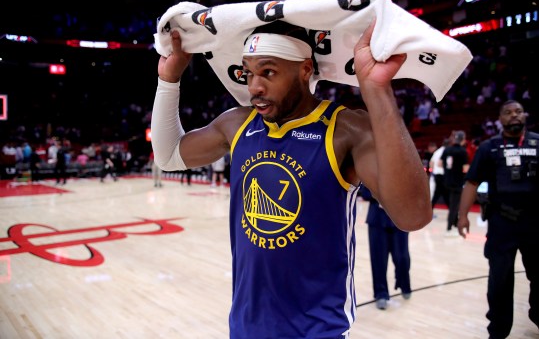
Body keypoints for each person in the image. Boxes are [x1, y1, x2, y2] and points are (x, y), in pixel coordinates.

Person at [150, 19, 432, 338]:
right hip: (245, 327)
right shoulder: (237, 123)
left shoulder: (345, 129)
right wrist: (168, 80)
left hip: (319, 330)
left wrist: (377, 92)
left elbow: (413, 215)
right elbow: (169, 155)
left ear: (304, 70)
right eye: (248, 72)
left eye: (268, 72)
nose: (254, 86)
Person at [458, 100, 539, 339]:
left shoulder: (538, 142)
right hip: (502, 223)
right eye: (508, 112)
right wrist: (462, 216)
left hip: (535, 224)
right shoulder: (489, 147)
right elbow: (471, 182)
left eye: (518, 111)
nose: (514, 115)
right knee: (500, 281)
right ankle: (498, 331)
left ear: (525, 115)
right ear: (500, 119)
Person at [359, 186, 411, 310]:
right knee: (378, 259)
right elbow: (365, 193)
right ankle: (381, 293)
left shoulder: (405, 167)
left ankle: (404, 283)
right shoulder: (370, 168)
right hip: (377, 218)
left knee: (402, 257)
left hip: (400, 217)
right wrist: (383, 196)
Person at [440, 130, 469, 236]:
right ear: (463, 139)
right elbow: (465, 169)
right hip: (457, 182)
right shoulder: (463, 151)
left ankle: (455, 224)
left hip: (446, 181)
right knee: (454, 206)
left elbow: (440, 163)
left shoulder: (447, 149)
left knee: (453, 205)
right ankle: (449, 228)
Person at [429, 138, 450, 209]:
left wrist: (433, 171)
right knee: (443, 194)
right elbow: (440, 164)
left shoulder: (437, 151)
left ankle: (452, 212)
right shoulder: (447, 151)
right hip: (443, 175)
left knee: (437, 193)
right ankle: (453, 213)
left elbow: (431, 163)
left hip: (436, 175)